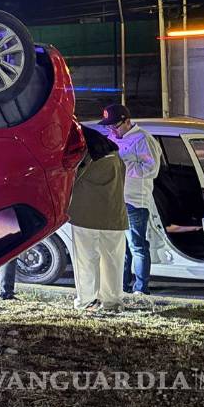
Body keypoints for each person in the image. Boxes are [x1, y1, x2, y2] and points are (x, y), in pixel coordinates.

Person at [98, 103, 163, 296]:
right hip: (115, 199)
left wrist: (123, 167)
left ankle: (141, 289)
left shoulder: (143, 138)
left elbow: (151, 169)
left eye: (114, 126)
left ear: (127, 121)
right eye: (108, 126)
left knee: (137, 245)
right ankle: (121, 286)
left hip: (135, 201)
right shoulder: (111, 137)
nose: (112, 130)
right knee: (119, 247)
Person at [68, 126, 127, 312]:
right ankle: (112, 301)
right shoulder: (115, 156)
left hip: (86, 217)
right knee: (113, 262)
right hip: (115, 215)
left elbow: (72, 180)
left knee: (86, 260)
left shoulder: (87, 157)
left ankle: (87, 301)